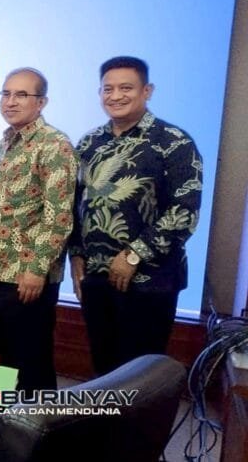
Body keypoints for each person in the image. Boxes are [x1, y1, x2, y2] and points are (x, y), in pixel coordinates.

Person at [70, 56, 202, 375]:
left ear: (147, 90)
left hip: (150, 281)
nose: (116, 96)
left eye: (126, 88)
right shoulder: (90, 142)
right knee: (103, 367)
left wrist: (133, 255)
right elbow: (76, 203)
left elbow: (185, 212)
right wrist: (75, 255)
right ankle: (103, 426)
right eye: (108, 89)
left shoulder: (173, 141)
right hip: (96, 277)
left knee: (139, 376)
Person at [0, 67, 77, 393]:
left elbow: (58, 215)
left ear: (41, 102)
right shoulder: (4, 143)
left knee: (29, 359)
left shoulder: (54, 145)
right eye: (6, 94)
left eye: (21, 94)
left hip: (27, 275)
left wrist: (36, 269)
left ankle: (34, 434)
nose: (10, 101)